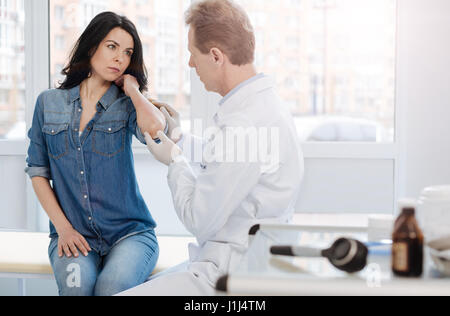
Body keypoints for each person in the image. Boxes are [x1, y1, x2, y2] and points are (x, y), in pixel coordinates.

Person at [119, 0, 304, 296]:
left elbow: (199, 219)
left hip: (228, 277)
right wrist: (179, 138)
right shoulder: (264, 105)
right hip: (244, 260)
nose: (190, 64)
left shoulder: (243, 124)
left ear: (216, 56)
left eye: (193, 54)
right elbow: (231, 161)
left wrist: (175, 161)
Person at [25, 12, 167, 296]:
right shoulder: (48, 103)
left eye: (127, 53)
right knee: (76, 288)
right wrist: (63, 229)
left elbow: (156, 128)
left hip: (130, 235)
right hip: (73, 235)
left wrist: (134, 90)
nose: (119, 58)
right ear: (92, 47)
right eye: (111, 47)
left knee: (111, 288)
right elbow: (38, 171)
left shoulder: (127, 106)